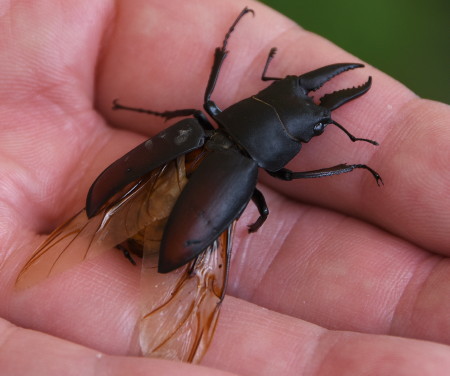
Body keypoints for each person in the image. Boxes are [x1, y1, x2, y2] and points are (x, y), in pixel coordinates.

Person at [1, 1, 449, 375]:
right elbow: (285, 181)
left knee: (197, 119)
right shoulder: (252, 168)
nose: (306, 108)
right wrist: (348, 163)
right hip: (176, 219)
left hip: (147, 198)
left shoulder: (202, 123)